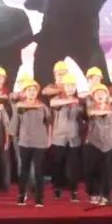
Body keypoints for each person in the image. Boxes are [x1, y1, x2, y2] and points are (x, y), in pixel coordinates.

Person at [25, 0, 111, 87]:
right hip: (78, 41)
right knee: (43, 84)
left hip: (70, 41)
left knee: (100, 83)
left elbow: (31, 3)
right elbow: (30, 3)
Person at [10, 77, 52, 207]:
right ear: (24, 92)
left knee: (39, 170)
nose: (32, 92)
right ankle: (21, 195)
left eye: (34, 90)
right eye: (29, 90)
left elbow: (49, 123)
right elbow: (14, 127)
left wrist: (49, 138)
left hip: (40, 142)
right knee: (24, 170)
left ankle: (39, 198)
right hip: (25, 142)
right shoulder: (20, 107)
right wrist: (16, 137)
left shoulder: (42, 107)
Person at [49, 73, 84, 202]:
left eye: (72, 86)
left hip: (74, 137)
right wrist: (70, 100)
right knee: (58, 164)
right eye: (67, 85)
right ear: (63, 87)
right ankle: (57, 189)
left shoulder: (80, 101)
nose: (70, 88)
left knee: (74, 165)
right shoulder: (58, 99)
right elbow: (52, 103)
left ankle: (73, 191)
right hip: (59, 137)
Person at [84, 83, 112, 206]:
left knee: (107, 171)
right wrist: (108, 110)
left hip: (109, 143)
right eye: (97, 93)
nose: (100, 95)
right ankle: (94, 193)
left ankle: (105, 195)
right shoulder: (90, 107)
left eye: (103, 93)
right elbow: (90, 113)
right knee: (92, 169)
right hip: (93, 142)